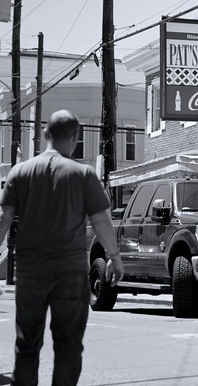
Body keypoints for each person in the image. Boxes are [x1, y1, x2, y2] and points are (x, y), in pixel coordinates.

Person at [0, 110, 125, 386]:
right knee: (68, 345)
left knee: (27, 344)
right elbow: (101, 220)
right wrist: (114, 257)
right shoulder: (83, 174)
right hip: (69, 272)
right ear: (76, 138)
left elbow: (4, 218)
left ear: (46, 134)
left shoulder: (19, 172)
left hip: (30, 272)